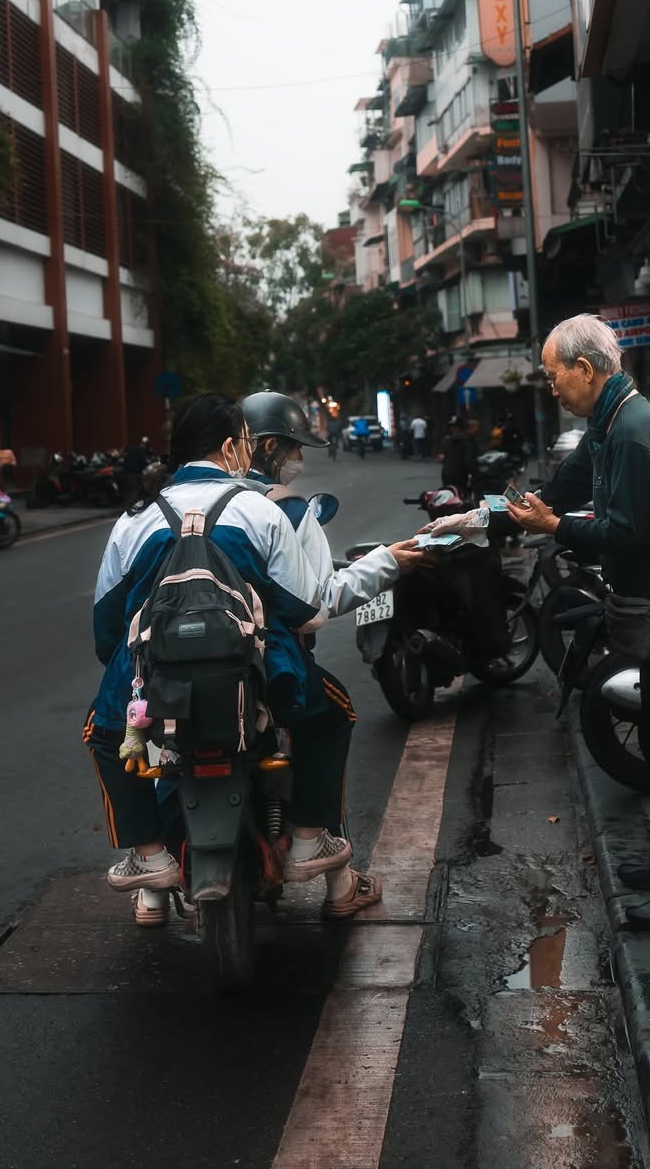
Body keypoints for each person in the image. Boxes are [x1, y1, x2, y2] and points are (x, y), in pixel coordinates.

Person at [505, 314, 650, 928]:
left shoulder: (631, 430)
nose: (551, 386)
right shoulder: (607, 424)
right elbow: (573, 479)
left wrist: (554, 528)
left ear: (586, 369)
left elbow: (626, 534)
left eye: (555, 375)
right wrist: (521, 511)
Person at [87, 394, 347, 929]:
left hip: (158, 679)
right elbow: (306, 611)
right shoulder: (261, 510)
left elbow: (106, 630)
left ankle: (150, 854)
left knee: (105, 732)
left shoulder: (134, 520)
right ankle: (306, 841)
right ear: (231, 448)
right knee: (331, 714)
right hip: (257, 678)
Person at [242, 391, 429, 913]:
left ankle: (151, 880)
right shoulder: (289, 511)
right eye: (295, 447)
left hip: (188, 668)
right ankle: (334, 877)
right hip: (278, 664)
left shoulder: (187, 505)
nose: (299, 460)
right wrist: (390, 560)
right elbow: (321, 601)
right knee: (335, 715)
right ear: (272, 447)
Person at [440, 416, 479, 495]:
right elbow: (469, 461)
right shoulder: (468, 441)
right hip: (460, 475)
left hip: (447, 473)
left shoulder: (449, 440)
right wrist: (474, 473)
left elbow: (444, 457)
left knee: (449, 497)